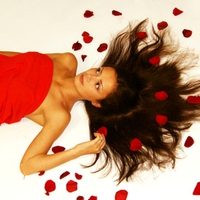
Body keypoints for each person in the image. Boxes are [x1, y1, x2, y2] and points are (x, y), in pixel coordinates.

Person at [1, 19, 200, 184]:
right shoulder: (66, 60)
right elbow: (17, 59)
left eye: (97, 86)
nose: (89, 77)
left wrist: (79, 150)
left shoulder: (59, 115)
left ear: (97, 103)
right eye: (98, 72)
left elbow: (27, 165)